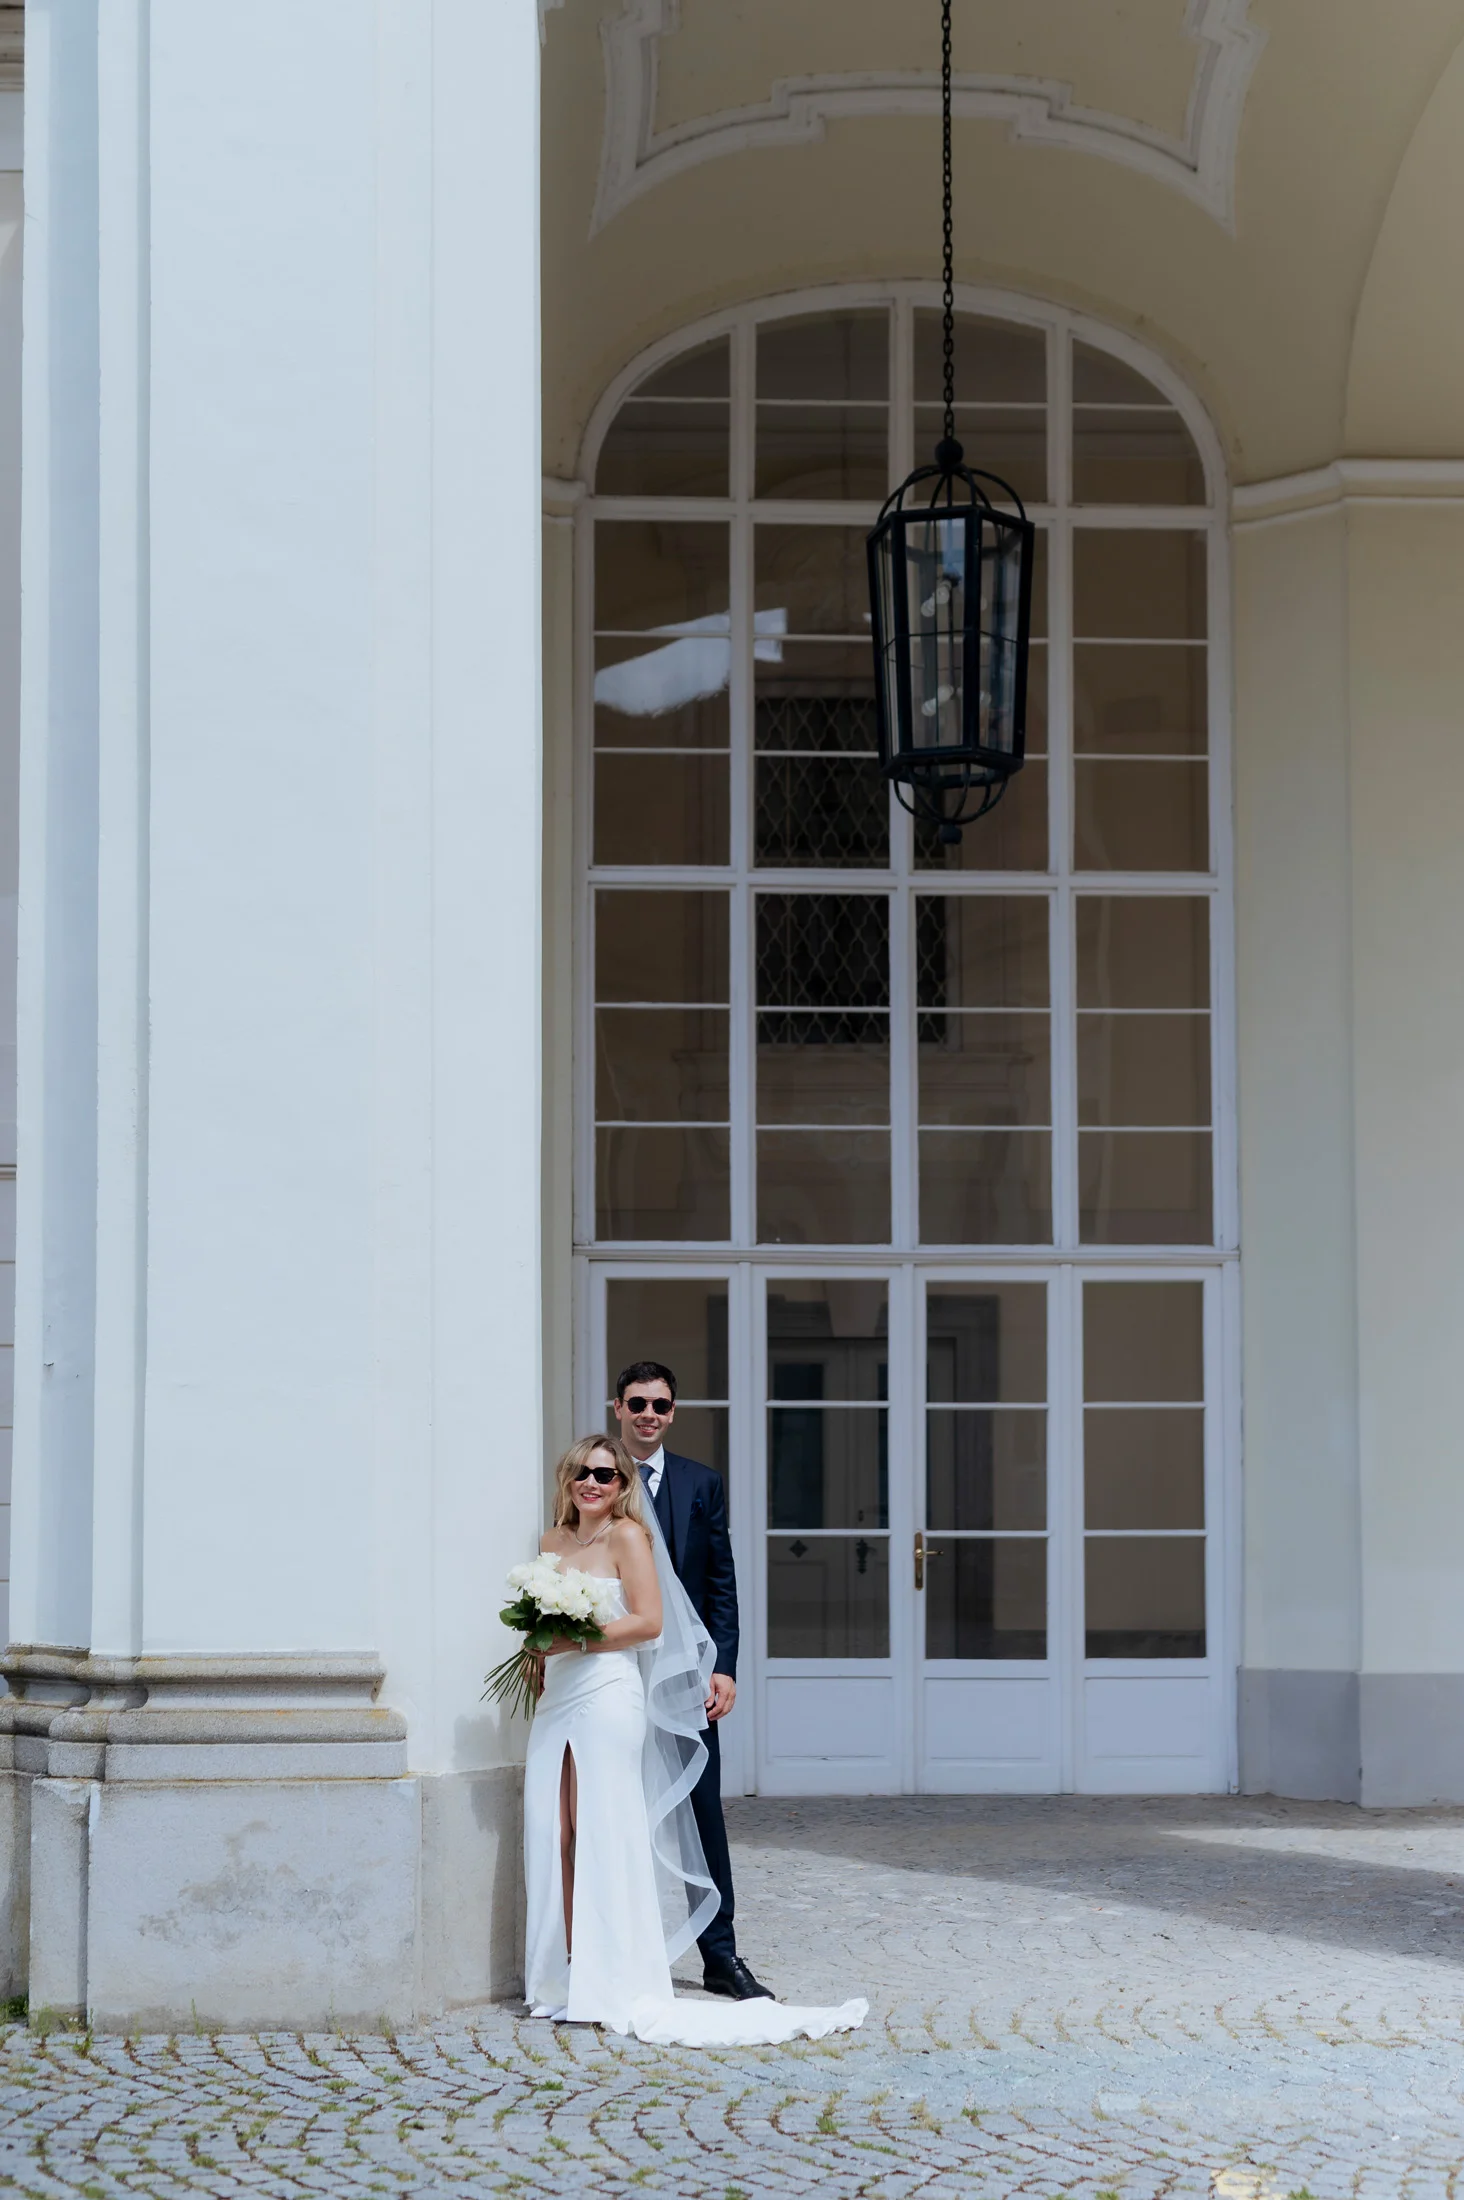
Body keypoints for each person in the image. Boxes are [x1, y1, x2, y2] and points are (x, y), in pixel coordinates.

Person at [521, 1433, 866, 2046]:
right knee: (557, 1831)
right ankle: (564, 1972)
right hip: (558, 1697)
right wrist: (536, 1647)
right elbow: (539, 1619)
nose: (592, 1483)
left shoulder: (629, 1537)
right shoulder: (551, 1542)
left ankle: (608, 1978)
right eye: (582, 1472)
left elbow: (649, 1622)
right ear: (567, 1478)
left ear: (622, 1485)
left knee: (601, 1827)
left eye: (605, 1474)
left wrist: (575, 1639)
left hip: (607, 1692)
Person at [610, 1359, 766, 2001]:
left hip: (686, 1676)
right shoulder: (595, 1478)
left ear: (673, 1413)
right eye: (638, 1403)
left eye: (661, 1405)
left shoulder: (703, 1483)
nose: (649, 1414)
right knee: (617, 1807)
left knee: (703, 1812)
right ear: (618, 1408)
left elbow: (720, 1582)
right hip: (615, 1670)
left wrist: (723, 1664)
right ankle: (617, 1952)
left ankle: (720, 1955)